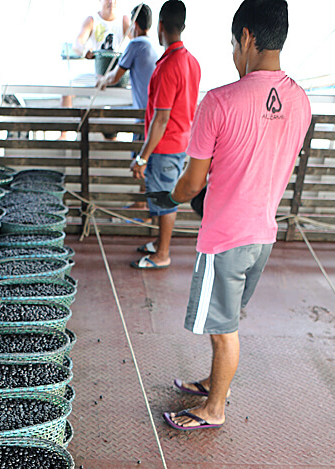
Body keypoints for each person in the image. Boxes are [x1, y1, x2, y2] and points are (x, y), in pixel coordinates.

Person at [151, 0, 311, 432]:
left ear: (246, 38)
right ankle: (211, 384)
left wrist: (169, 197)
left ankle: (214, 408)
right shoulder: (300, 100)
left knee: (223, 330)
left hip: (224, 237)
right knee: (226, 320)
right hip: (262, 236)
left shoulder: (220, 101)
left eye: (233, 44)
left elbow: (191, 182)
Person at [129, 0, 201, 270]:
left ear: (160, 26)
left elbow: (161, 119)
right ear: (182, 26)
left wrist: (142, 157)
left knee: (166, 199)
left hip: (165, 145)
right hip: (182, 141)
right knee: (162, 195)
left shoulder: (169, 65)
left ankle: (163, 254)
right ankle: (159, 244)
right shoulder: (191, 62)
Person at [98, 4, 158, 214]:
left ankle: (142, 204)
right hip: (153, 115)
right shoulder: (151, 46)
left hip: (142, 116)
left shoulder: (136, 44)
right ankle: (143, 202)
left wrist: (101, 80)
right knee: (146, 160)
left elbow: (115, 77)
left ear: (134, 24)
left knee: (140, 159)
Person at [60, 0, 130, 133]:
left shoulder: (124, 20)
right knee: (67, 92)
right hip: (97, 74)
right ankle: (65, 135)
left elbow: (137, 40)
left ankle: (115, 139)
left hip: (117, 75)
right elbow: (77, 43)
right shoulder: (92, 20)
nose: (111, 2)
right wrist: (85, 51)